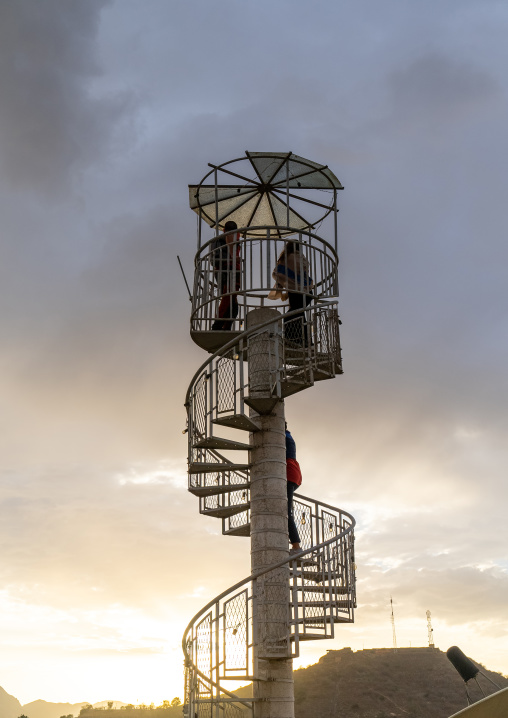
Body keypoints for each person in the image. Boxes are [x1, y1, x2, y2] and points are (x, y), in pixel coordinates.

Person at [271, 241, 313, 345]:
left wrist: (282, 286)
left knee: (293, 314)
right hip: (307, 291)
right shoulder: (301, 258)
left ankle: (293, 338)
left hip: (296, 291)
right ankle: (305, 341)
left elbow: (278, 273)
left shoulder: (287, 258)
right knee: (299, 313)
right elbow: (302, 272)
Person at [211, 220, 242, 331]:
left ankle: (226, 326)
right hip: (228, 270)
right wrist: (233, 258)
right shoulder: (224, 238)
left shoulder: (218, 241)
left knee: (231, 300)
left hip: (227, 271)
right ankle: (218, 325)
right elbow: (216, 258)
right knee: (229, 297)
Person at [285, 422, 303, 554]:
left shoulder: (282, 436)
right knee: (286, 508)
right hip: (294, 474)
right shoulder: (289, 436)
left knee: (286, 513)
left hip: (289, 474)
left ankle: (296, 546)